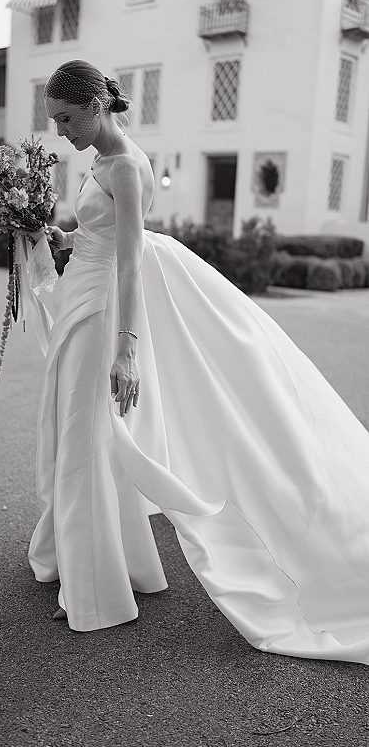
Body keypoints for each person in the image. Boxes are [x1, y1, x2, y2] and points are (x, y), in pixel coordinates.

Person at [27, 59, 369, 664]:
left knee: (85, 438)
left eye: (68, 118)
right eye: (55, 120)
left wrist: (128, 347)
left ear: (97, 105)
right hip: (85, 296)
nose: (61, 131)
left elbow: (130, 256)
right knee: (81, 436)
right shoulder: (101, 162)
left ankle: (96, 587)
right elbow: (102, 237)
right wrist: (59, 239)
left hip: (105, 314)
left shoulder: (127, 166)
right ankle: (105, 559)